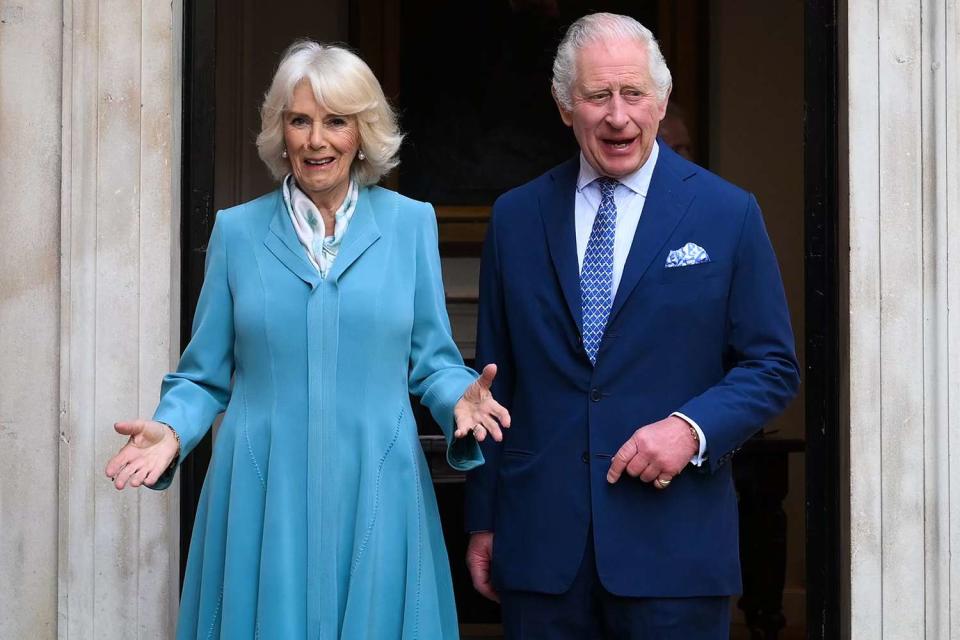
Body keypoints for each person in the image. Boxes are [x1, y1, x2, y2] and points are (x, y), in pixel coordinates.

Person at [104, 40, 509, 639]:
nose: (316, 140)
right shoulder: (236, 233)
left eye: (335, 121)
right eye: (300, 120)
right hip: (262, 486)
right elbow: (203, 375)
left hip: (379, 479)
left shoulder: (409, 224)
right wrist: (171, 428)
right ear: (281, 131)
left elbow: (433, 362)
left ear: (363, 132)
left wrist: (457, 398)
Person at [465, 13, 800, 639]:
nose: (618, 115)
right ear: (566, 107)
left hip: (674, 550)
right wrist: (484, 521)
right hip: (542, 553)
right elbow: (491, 384)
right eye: (597, 96)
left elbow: (773, 365)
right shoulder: (516, 218)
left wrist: (690, 429)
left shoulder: (727, 213)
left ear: (662, 99)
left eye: (634, 93)